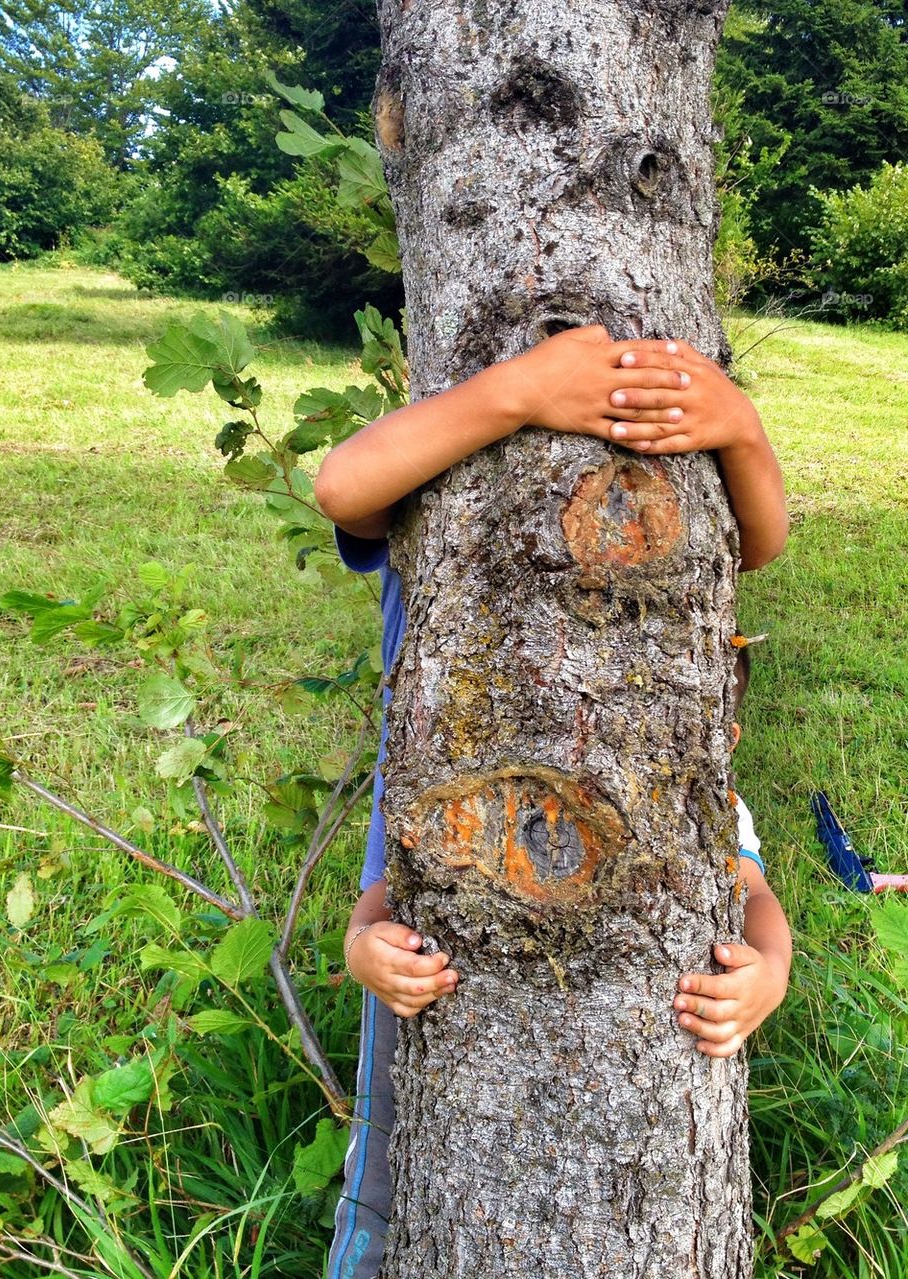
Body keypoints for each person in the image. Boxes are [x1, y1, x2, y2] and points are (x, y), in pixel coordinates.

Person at [314, 324, 791, 1279]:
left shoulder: (675, 768)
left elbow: (758, 545)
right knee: (394, 1156)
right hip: (443, 902)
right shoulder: (444, 482)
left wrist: (738, 430)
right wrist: (519, 394)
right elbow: (343, 485)